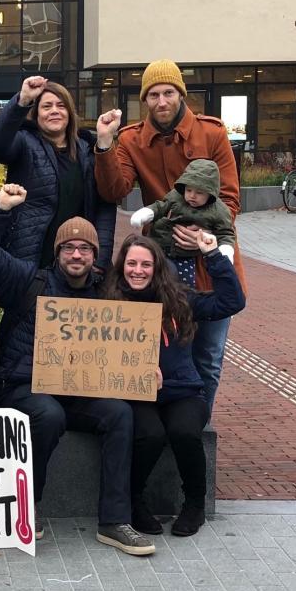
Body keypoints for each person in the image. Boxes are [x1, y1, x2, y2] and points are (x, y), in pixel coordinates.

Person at [0, 188, 155, 557]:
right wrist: (1, 210)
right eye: (68, 248)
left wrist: (149, 367)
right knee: (47, 415)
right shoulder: (28, 280)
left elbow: (134, 332)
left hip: (81, 390)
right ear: (57, 253)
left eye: (84, 248)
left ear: (94, 256)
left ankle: (115, 521)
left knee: (119, 413)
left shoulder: (107, 292)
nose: (76, 254)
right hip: (26, 385)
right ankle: (24, 508)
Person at [95, 58, 247, 412]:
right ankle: (162, 430)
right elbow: (114, 188)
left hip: (209, 261)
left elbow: (229, 197)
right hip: (161, 263)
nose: (161, 102)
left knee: (207, 357)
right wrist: (105, 144)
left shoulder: (212, 133)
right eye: (153, 95)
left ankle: (197, 430)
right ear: (144, 100)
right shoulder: (132, 139)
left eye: (168, 93)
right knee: (158, 353)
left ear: (181, 94)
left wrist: (201, 232)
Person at [102, 232, 245, 536]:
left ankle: (195, 504)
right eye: (131, 263)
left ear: (157, 268)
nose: (137, 270)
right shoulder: (108, 301)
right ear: (121, 266)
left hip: (182, 390)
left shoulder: (179, 299)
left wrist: (212, 256)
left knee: (184, 430)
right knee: (149, 435)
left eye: (145, 264)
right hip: (135, 394)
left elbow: (232, 301)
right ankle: (134, 501)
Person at [0, 76, 116, 271]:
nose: (54, 110)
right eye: (47, 106)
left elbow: (104, 206)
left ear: (69, 113)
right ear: (36, 114)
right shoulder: (23, 142)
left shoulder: (87, 150)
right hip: (32, 260)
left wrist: (100, 261)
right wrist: (22, 101)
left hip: (78, 261)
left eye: (61, 106)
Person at [129, 159, 237, 286]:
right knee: (152, 278)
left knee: (183, 284)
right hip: (159, 244)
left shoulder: (219, 211)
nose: (192, 196)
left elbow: (225, 233)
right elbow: (161, 207)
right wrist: (146, 213)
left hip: (185, 255)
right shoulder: (176, 196)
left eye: (199, 192)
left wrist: (225, 251)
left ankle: (180, 303)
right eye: (189, 190)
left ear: (210, 193)